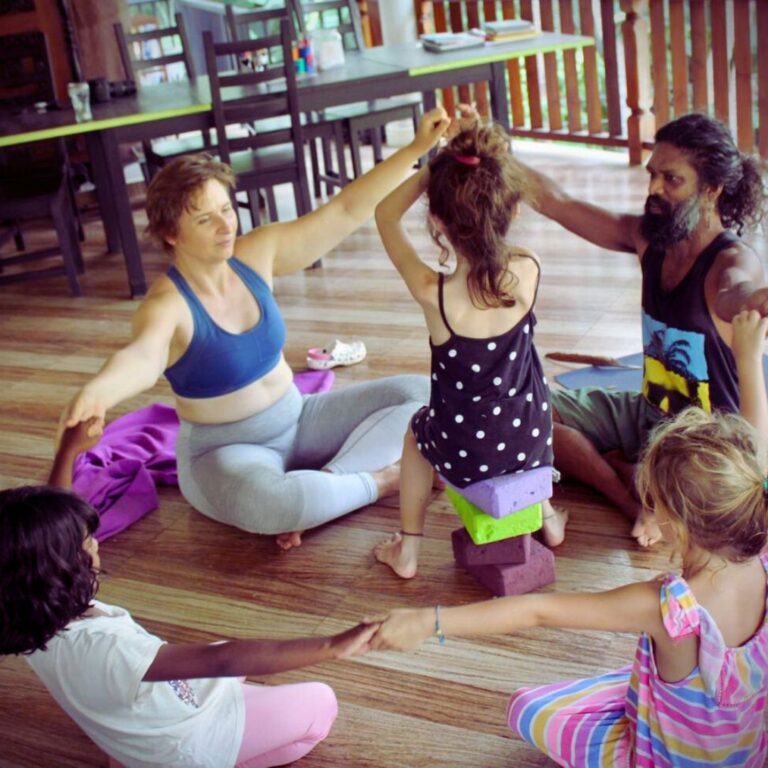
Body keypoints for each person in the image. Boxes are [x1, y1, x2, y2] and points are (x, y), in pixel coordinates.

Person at [58, 108, 450, 550]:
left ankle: (330, 484)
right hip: (226, 454)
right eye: (206, 219)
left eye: (227, 209)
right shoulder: (167, 306)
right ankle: (379, 482)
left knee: (425, 392)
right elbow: (142, 356)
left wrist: (417, 150)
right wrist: (100, 391)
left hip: (301, 419)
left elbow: (343, 210)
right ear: (170, 232)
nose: (226, 225)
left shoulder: (255, 255)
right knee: (273, 504)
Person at [369, 394, 768, 765]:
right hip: (748, 752)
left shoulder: (669, 607)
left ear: (675, 524)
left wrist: (429, 621)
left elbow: (537, 611)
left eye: (652, 501)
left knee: (529, 709)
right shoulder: (762, 558)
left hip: (668, 758)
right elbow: (758, 442)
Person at [2, 419, 379, 768]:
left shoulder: (26, 614)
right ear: (58, 569)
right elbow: (225, 661)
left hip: (135, 723)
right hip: (182, 745)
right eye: (87, 543)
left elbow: (40, 532)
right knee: (321, 703)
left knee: (218, 651)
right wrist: (333, 645)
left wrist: (69, 451)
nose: (95, 543)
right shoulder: (107, 648)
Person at [523, 112, 768, 547]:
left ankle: (636, 476)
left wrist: (754, 304)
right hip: (648, 412)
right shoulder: (648, 240)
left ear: (711, 189)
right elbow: (557, 202)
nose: (654, 189)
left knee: (710, 498)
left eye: (672, 180)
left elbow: (740, 295)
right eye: (653, 175)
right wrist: (493, 152)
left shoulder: (729, 264)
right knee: (526, 418)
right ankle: (633, 497)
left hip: (703, 445)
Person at [372, 118, 568, 580]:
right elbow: (499, 217)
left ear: (437, 220)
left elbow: (383, 214)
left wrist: (434, 169)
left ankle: (409, 550)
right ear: (512, 211)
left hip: (465, 452)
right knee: (530, 411)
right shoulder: (527, 269)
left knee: (417, 432)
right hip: (531, 439)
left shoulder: (431, 292)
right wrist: (486, 170)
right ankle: (549, 518)